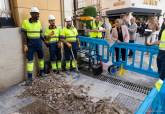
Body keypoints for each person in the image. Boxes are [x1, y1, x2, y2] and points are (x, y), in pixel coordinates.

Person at [21, 7, 45, 85]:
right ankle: (30, 78)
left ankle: (42, 73)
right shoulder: (25, 22)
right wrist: (25, 45)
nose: (38, 15)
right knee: (30, 61)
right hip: (30, 45)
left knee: (41, 59)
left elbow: (40, 34)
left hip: (39, 44)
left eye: (38, 14)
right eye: (36, 14)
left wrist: (45, 42)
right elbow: (24, 35)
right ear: (31, 14)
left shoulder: (39, 22)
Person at [156, 15, 165, 80]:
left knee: (163, 70)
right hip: (161, 51)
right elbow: (160, 40)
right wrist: (151, 43)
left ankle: (159, 87)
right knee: (159, 63)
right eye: (164, 19)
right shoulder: (163, 29)